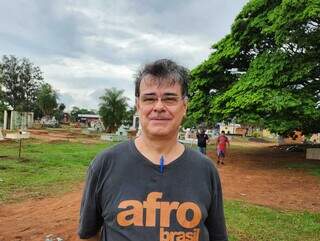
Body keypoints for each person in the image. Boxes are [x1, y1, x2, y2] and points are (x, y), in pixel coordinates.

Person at [78, 59, 228, 241]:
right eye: (149, 99)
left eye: (169, 99)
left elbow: (217, 236)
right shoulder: (105, 164)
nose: (158, 107)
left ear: (185, 106)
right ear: (138, 105)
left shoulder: (205, 169)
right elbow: (88, 235)